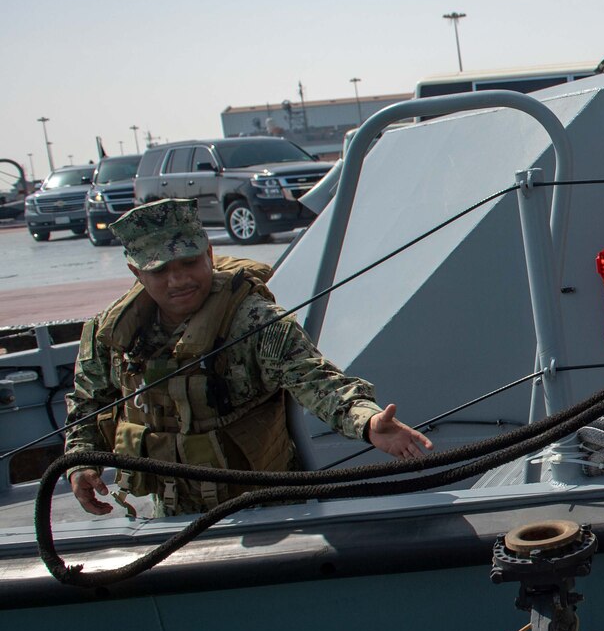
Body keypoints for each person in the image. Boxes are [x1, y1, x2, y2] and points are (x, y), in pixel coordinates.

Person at [65, 199, 430, 517]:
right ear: (137, 273)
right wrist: (81, 463)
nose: (178, 280)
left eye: (190, 263)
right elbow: (88, 404)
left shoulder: (255, 321)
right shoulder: (111, 335)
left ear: (209, 255)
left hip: (270, 505)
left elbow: (319, 383)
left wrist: (367, 423)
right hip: (172, 511)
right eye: (160, 270)